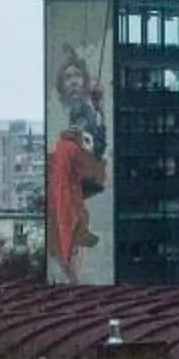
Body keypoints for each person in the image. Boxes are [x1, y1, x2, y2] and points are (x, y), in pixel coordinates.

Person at [46, 46, 108, 282]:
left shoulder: (87, 107)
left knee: (62, 152)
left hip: (88, 165)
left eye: (76, 76)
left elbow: (98, 139)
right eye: (67, 78)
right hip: (77, 170)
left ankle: (67, 242)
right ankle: (72, 239)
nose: (72, 82)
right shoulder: (73, 109)